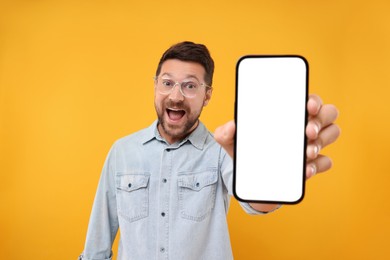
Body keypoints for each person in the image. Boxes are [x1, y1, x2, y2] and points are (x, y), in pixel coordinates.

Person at [79, 41, 340, 260]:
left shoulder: (221, 150)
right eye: (167, 83)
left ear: (207, 95)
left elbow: (258, 204)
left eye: (190, 85)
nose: (176, 96)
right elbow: (97, 245)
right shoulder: (122, 151)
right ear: (156, 85)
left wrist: (271, 166)